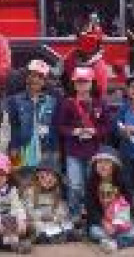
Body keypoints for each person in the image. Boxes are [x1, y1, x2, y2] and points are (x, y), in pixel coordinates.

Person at [57, 66, 111, 223]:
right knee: (75, 184)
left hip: (94, 152)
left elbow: (108, 126)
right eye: (78, 82)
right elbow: (60, 126)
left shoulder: (99, 103)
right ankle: (74, 214)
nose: (82, 85)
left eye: (85, 82)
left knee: (92, 183)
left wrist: (95, 131)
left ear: (92, 83)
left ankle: (91, 213)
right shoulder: (67, 104)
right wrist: (74, 131)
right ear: (74, 84)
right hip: (73, 151)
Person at [6, 60, 60, 169]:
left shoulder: (52, 101)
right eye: (33, 75)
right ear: (27, 77)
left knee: (43, 177)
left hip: (46, 151)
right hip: (21, 149)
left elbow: (54, 128)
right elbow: (13, 126)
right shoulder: (14, 100)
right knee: (22, 177)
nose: (36, 80)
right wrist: (13, 147)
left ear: (44, 81)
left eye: (40, 77)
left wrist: (55, 150)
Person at [89, 182, 134, 253]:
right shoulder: (97, 205)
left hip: (123, 230)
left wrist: (114, 227)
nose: (105, 199)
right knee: (93, 230)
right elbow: (97, 220)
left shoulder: (122, 203)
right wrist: (105, 224)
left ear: (115, 194)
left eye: (109, 194)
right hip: (108, 232)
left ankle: (115, 243)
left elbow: (124, 225)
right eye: (102, 195)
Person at [22, 158, 73, 245]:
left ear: (57, 180)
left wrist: (54, 218)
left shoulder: (56, 193)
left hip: (53, 223)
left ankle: (56, 235)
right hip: (36, 222)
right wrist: (43, 217)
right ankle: (45, 236)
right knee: (34, 225)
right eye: (44, 175)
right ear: (37, 175)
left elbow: (62, 212)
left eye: (53, 177)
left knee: (67, 224)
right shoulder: (29, 192)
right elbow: (28, 211)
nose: (48, 179)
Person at [61, 14, 110, 99]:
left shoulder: (99, 66)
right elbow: (65, 82)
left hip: (92, 102)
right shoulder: (70, 58)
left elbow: (99, 93)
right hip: (73, 100)